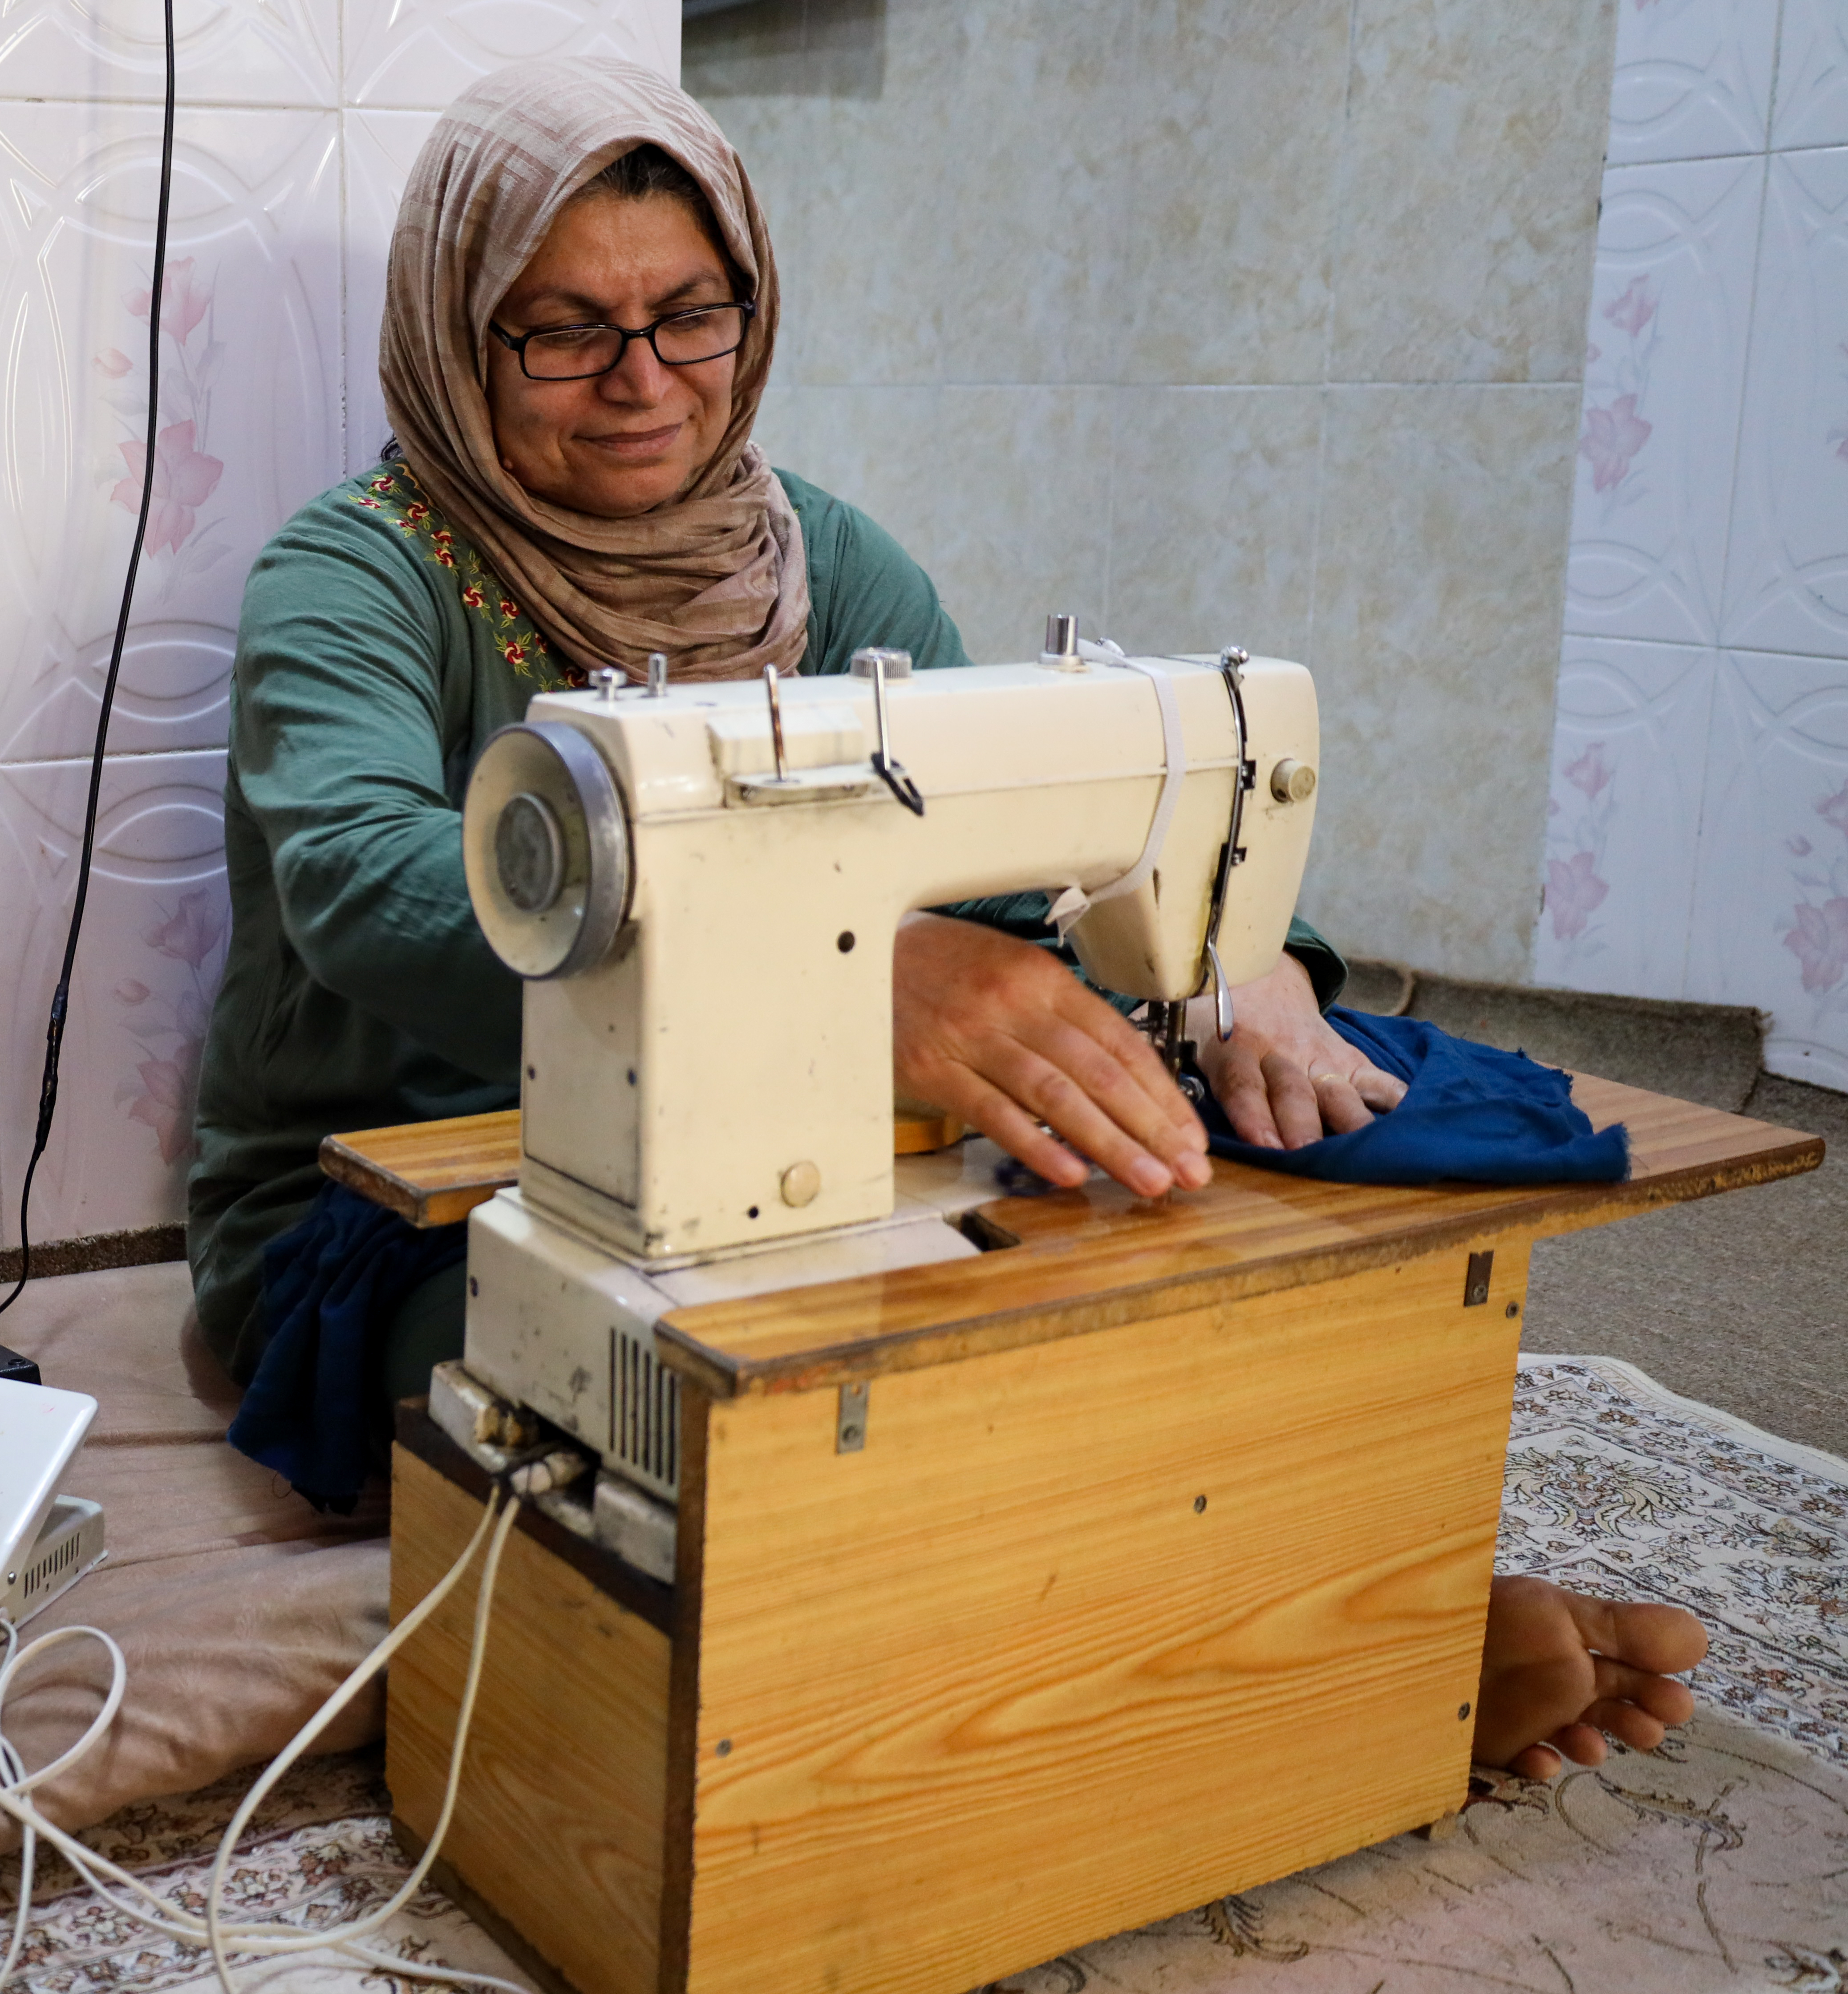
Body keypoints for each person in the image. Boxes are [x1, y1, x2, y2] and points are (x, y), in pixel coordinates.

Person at [186, 53, 1702, 1782]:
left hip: (767, 1141)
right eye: (565, 330)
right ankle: (1377, 1663)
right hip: (413, 1193)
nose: (645, 380)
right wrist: (837, 978)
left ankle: (1351, 1612)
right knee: (695, 1403)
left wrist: (1246, 963)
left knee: (1114, 1262)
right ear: (461, 335)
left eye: (691, 315)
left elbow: (1010, 870)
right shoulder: (357, 576)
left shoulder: (825, 566)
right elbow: (369, 886)